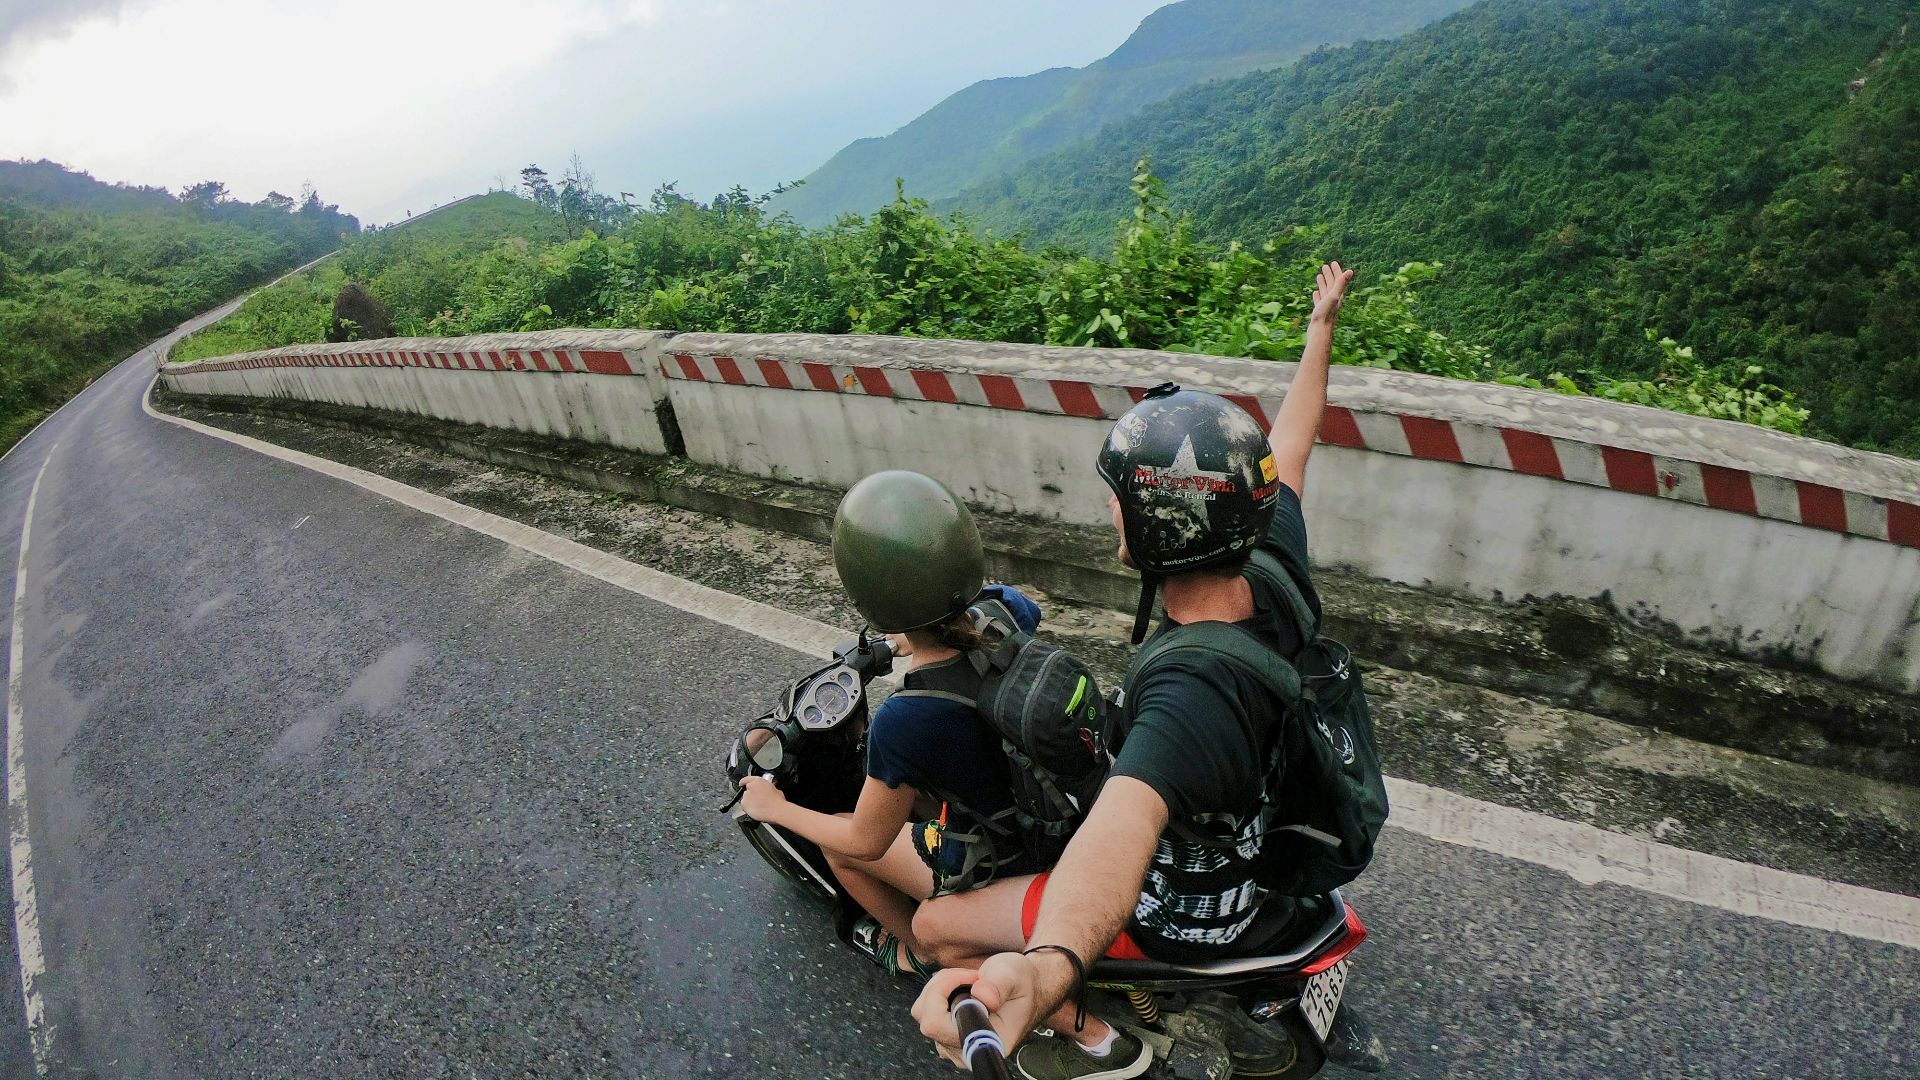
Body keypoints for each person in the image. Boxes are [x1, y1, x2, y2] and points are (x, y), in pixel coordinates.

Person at [907, 262, 1357, 1079]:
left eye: (1120, 497)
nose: (1110, 507)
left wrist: (1044, 971)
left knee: (936, 930)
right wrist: (1320, 328)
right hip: (1253, 830)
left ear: (1161, 525)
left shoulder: (1191, 694)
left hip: (1188, 910)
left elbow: (1118, 837)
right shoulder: (1269, 553)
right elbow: (1291, 437)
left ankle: (1090, 1037)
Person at [738, 469, 1044, 979]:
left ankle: (914, 950)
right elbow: (998, 605)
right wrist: (906, 641)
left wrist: (777, 808)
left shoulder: (906, 720)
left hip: (1003, 857)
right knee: (918, 792)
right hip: (1040, 806)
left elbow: (866, 841)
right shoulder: (1006, 612)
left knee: (839, 844)